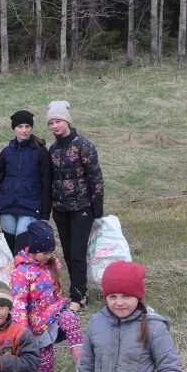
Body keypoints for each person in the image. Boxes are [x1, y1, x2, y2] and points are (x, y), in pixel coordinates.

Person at [10, 221, 83, 372]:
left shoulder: (50, 265)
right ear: (34, 249)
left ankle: (81, 365)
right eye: (46, 252)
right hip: (37, 325)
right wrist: (22, 332)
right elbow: (18, 305)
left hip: (56, 312)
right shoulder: (21, 272)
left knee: (71, 319)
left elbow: (56, 292)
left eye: (51, 251)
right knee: (46, 362)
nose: (50, 256)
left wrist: (65, 303)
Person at [47, 100, 103, 308]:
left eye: (58, 121)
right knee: (69, 252)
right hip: (60, 209)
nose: (55, 126)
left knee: (78, 252)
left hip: (82, 208)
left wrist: (97, 209)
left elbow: (95, 177)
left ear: (67, 121)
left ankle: (78, 296)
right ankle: (78, 290)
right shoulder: (52, 149)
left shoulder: (83, 145)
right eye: (51, 123)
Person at [0, 110, 51, 254]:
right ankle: (13, 277)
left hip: (30, 208)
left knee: (22, 251)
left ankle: (24, 276)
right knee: (10, 253)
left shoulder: (41, 152)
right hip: (7, 208)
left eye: (27, 126)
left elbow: (46, 184)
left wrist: (45, 216)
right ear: (14, 128)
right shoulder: (6, 152)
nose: (24, 130)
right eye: (20, 126)